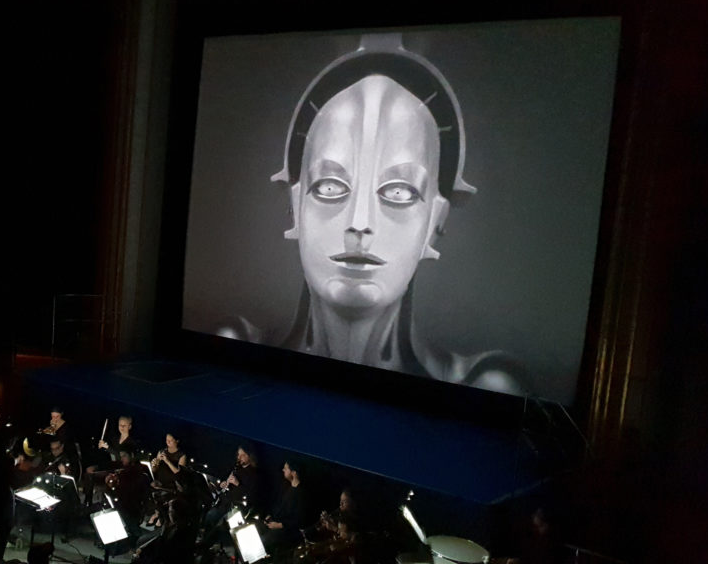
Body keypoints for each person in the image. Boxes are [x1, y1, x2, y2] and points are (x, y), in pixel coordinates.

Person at [221, 36, 528, 395]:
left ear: (435, 222)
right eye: (330, 187)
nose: (360, 222)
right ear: (296, 206)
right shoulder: (232, 348)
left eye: (399, 192)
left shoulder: (486, 387)